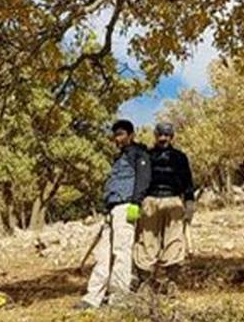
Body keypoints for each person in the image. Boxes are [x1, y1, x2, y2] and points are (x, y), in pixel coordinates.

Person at [75, 119, 150, 310]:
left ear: (131, 135)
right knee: (103, 254)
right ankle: (93, 297)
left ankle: (119, 298)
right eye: (115, 135)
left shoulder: (139, 154)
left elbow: (143, 179)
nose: (118, 138)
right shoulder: (118, 158)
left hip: (126, 207)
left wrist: (136, 202)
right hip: (112, 209)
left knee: (122, 253)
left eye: (121, 134)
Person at [134, 122, 196, 289]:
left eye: (166, 135)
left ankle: (171, 283)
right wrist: (135, 202)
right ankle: (145, 282)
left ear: (172, 136)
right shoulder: (145, 156)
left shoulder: (180, 157)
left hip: (174, 201)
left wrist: (189, 201)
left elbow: (187, 181)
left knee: (174, 240)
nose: (163, 138)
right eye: (160, 135)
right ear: (155, 135)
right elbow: (139, 180)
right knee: (146, 241)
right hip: (149, 201)